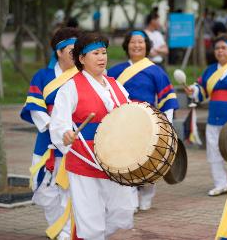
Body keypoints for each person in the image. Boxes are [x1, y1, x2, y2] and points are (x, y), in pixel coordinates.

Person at [49, 32, 135, 239]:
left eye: (104, 52)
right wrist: (65, 134)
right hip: (84, 160)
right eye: (95, 53)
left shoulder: (116, 85)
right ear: (81, 59)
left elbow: (130, 113)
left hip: (115, 160)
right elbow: (59, 123)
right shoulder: (70, 87)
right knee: (90, 218)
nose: (101, 57)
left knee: (123, 212)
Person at [107, 30, 179, 211]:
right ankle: (129, 198)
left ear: (147, 46)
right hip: (122, 123)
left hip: (148, 123)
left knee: (147, 161)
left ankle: (147, 195)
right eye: (133, 42)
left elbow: (167, 100)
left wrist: (167, 126)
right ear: (126, 45)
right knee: (125, 161)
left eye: (140, 42)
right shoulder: (115, 71)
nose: (137, 45)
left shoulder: (156, 71)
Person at [20, 27, 81, 240]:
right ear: (59, 52)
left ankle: (65, 233)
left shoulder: (83, 77)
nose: (76, 54)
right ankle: (58, 228)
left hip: (75, 139)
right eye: (72, 50)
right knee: (43, 189)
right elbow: (35, 107)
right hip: (47, 141)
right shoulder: (43, 76)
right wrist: (53, 128)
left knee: (69, 189)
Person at [184, 34, 227, 196]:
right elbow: (202, 91)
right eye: (217, 48)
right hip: (214, 116)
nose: (220, 51)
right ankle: (220, 183)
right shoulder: (210, 70)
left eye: (224, 47)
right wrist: (193, 91)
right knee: (213, 150)